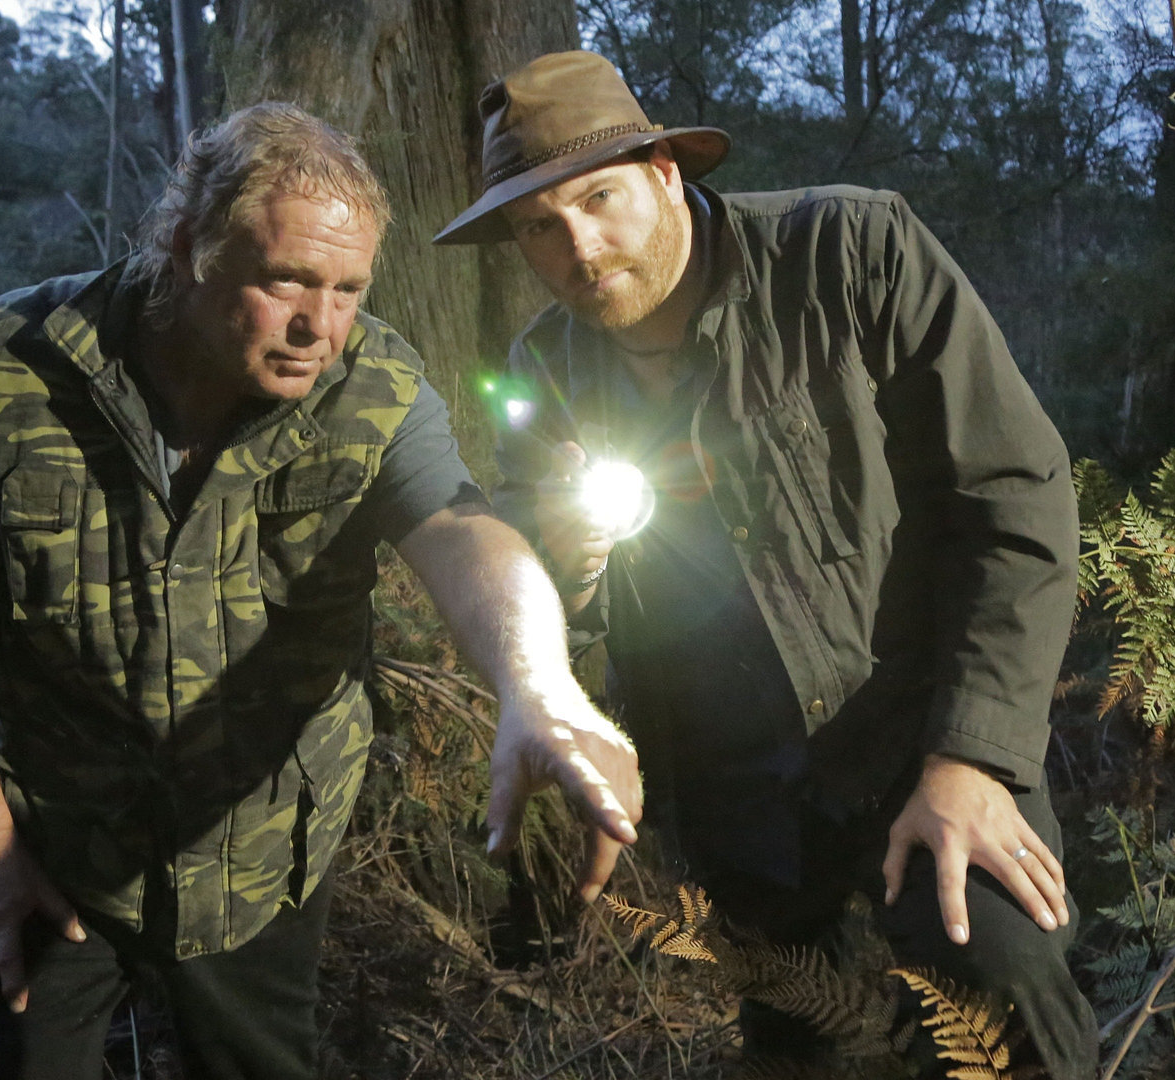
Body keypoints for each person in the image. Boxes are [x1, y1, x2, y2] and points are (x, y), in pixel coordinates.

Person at [0, 102, 640, 1080]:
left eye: (349, 290)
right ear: (191, 246)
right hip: (54, 854)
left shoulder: (376, 391)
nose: (319, 324)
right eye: (287, 282)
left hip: (263, 859)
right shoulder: (12, 371)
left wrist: (539, 685)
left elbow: (464, 534)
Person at [435, 51, 1097, 1078]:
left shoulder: (849, 251)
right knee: (813, 1048)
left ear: (663, 171)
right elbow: (548, 609)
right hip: (734, 792)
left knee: (1004, 987)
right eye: (538, 227)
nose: (578, 246)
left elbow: (1014, 494)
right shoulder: (542, 373)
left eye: (599, 198)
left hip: (919, 735)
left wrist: (974, 757)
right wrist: (567, 568)